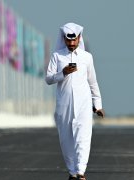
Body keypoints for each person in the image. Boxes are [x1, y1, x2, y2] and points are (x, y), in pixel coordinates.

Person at [45, 22, 104, 180]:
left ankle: (80, 171)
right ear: (64, 39)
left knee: (83, 137)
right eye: (68, 40)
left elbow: (93, 82)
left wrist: (97, 105)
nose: (71, 44)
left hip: (84, 105)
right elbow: (48, 79)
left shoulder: (87, 57)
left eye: (74, 40)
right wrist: (62, 73)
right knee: (66, 140)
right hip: (64, 105)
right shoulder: (57, 56)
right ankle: (72, 172)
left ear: (79, 39)